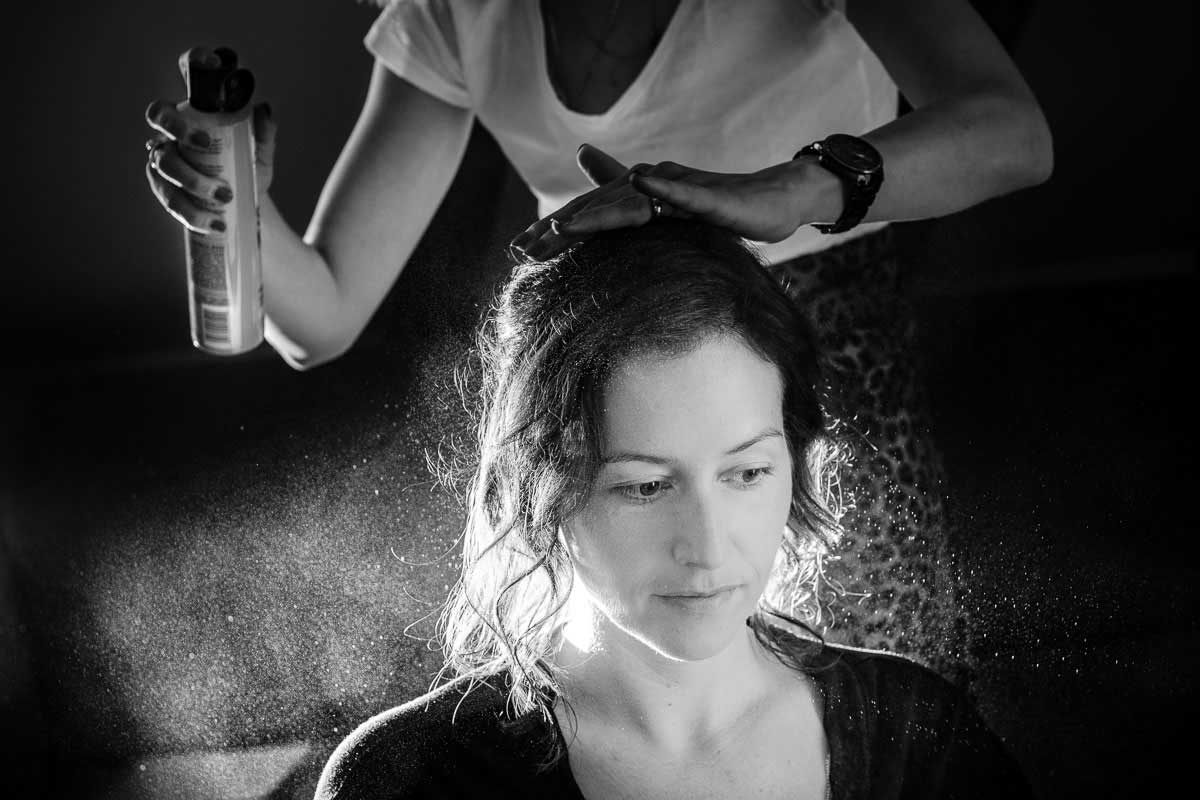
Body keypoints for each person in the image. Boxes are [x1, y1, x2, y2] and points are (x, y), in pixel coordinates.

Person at [144, 0, 1053, 674]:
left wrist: (790, 193)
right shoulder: (454, 14)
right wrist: (243, 208)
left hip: (815, 361)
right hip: (606, 393)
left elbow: (1012, 132)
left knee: (861, 694)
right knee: (607, 707)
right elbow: (326, 315)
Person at [312, 220, 1033, 799]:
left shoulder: (918, 738)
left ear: (798, 457)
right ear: (538, 486)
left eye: (747, 472)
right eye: (646, 486)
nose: (709, 547)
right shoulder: (409, 778)